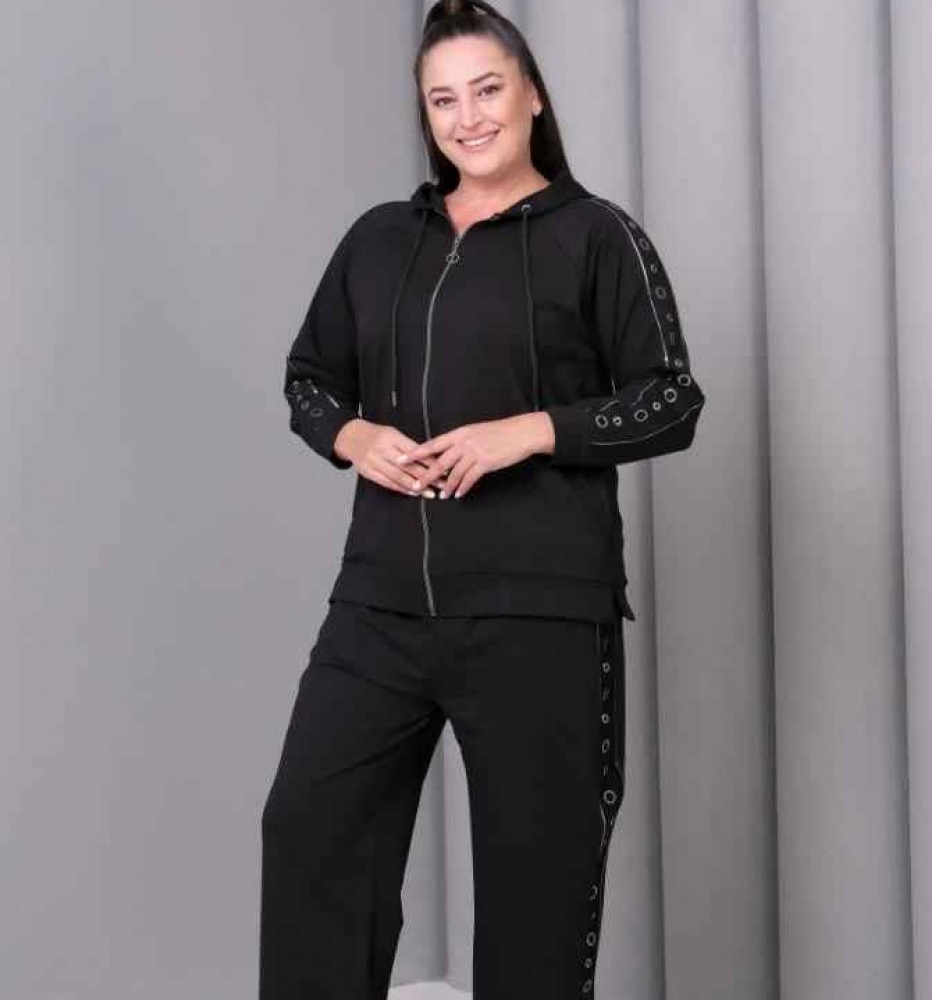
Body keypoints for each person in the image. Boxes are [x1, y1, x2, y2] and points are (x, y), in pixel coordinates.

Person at [259, 1, 706, 997]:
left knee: (537, 893)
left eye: (488, 89)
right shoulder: (380, 240)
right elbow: (307, 378)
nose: (467, 117)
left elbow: (671, 399)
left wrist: (532, 430)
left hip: (538, 614)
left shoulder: (596, 237)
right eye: (442, 99)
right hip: (379, 605)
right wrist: (353, 437)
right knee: (312, 832)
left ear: (532, 94)